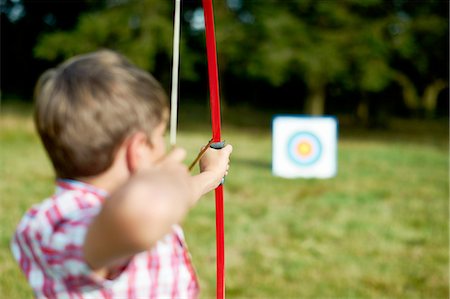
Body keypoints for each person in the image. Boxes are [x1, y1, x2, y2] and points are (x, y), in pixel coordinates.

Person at [11, 49, 232, 298]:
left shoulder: (144, 204)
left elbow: (160, 204)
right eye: (158, 136)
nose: (162, 145)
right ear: (137, 150)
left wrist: (210, 175)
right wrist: (169, 181)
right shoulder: (60, 223)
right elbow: (143, 212)